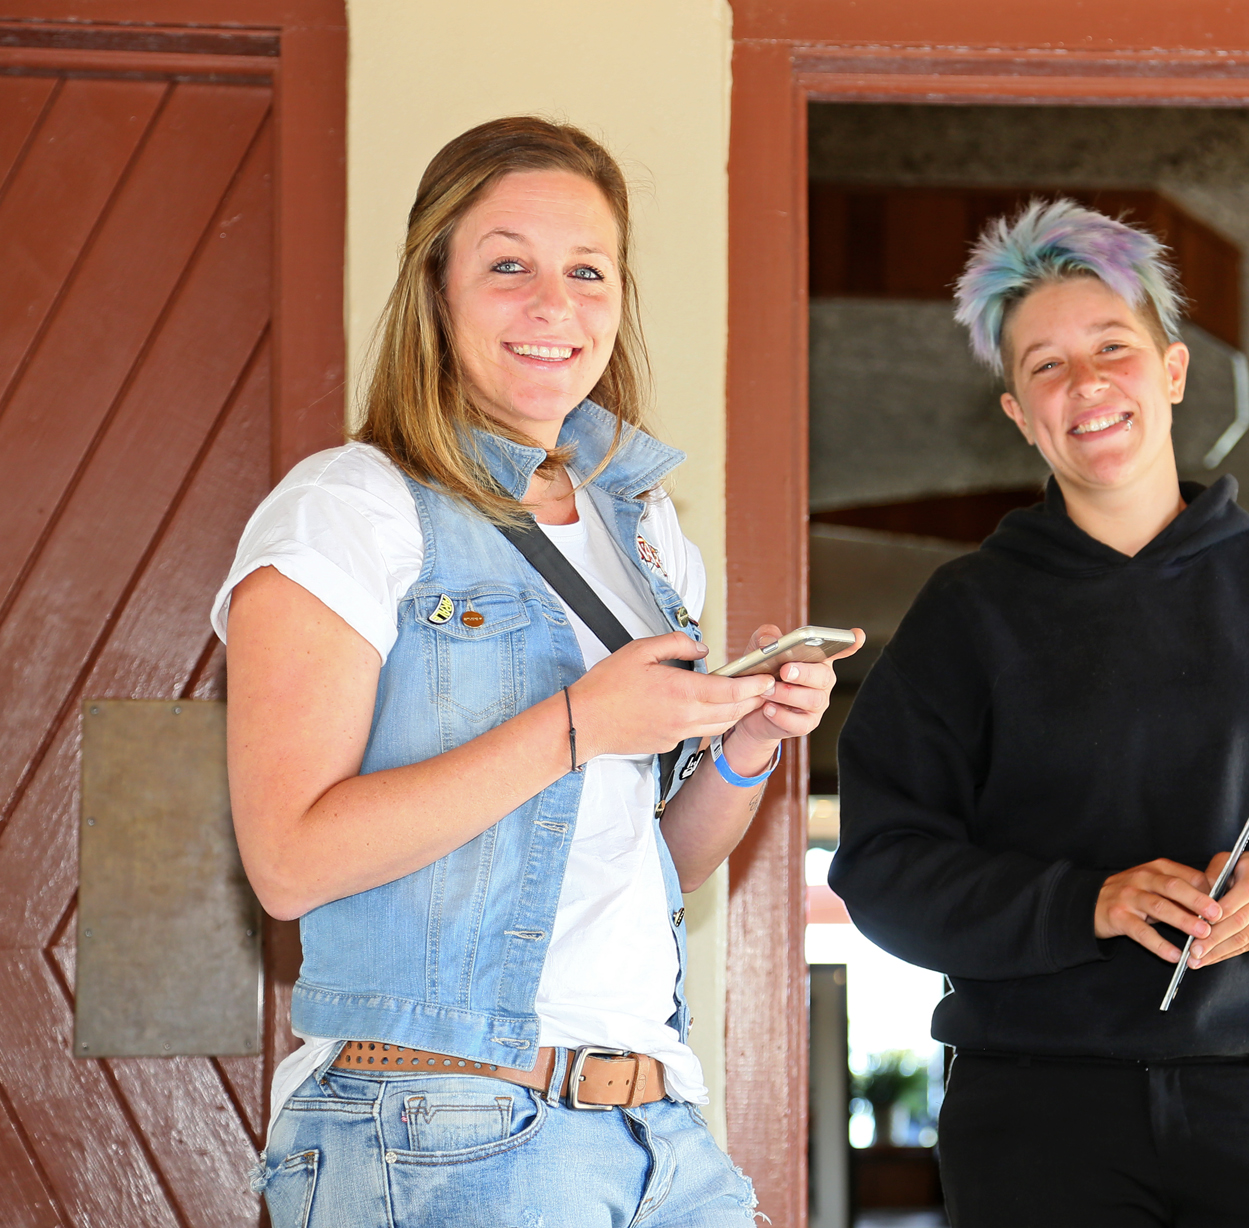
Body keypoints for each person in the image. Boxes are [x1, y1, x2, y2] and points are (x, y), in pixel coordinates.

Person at [217, 116, 858, 1227]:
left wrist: (749, 741)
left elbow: (652, 865)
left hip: (656, 1129)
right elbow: (286, 862)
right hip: (441, 1125)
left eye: (587, 271)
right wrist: (578, 723)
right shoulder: (348, 506)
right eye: (508, 265)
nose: (554, 305)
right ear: (436, 290)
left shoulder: (644, 533)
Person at [828, 200, 1249, 1227]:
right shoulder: (963, 617)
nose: (1086, 383)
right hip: (1038, 1121)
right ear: (1019, 413)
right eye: (1046, 364)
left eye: (1112, 347)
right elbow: (883, 869)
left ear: (1172, 371)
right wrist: (1088, 903)